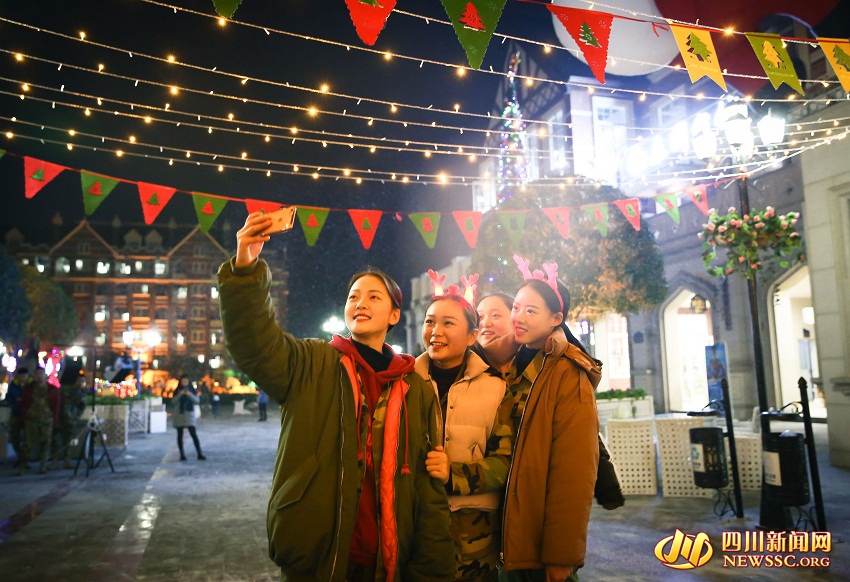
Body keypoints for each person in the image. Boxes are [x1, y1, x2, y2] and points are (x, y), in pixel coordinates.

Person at [217, 211, 453, 581]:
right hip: (318, 554)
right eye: (353, 296)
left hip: (389, 556)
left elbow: (427, 487)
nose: (360, 302)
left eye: (374, 297)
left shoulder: (416, 388)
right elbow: (254, 344)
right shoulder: (311, 363)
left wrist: (433, 569)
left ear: (394, 315)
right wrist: (246, 265)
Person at [499, 256, 601, 582]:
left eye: (531, 311)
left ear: (557, 318)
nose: (518, 316)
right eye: (516, 307)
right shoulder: (517, 363)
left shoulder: (568, 372)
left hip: (541, 547)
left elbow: (574, 472)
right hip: (512, 535)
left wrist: (561, 556)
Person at [416, 272, 513, 582]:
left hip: (474, 538)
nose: (435, 331)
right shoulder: (405, 383)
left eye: (448, 323)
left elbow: (505, 462)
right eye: (430, 321)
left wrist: (453, 474)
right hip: (415, 529)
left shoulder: (496, 389)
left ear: (472, 336)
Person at [19, 367, 61, 475]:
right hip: (31, 420)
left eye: (41, 373)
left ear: (45, 375)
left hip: (46, 420)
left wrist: (55, 419)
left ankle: (43, 465)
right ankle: (23, 465)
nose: (39, 376)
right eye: (37, 374)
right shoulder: (29, 389)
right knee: (28, 443)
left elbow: (56, 405)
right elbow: (25, 403)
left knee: (45, 442)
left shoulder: (52, 389)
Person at [54, 371, 88, 469]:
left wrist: (75, 416)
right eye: (79, 380)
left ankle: (66, 461)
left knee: (67, 441)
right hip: (60, 418)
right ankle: (55, 461)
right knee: (56, 440)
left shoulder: (81, 393)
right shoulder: (66, 390)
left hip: (71, 419)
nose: (81, 383)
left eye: (83, 381)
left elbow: (82, 407)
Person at [173, 375, 206, 461]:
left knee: (193, 434)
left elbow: (197, 401)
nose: (184, 383)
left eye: (186, 381)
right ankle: (182, 454)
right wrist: (180, 394)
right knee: (180, 435)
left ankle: (199, 453)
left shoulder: (192, 391)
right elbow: (173, 401)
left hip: (189, 415)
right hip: (179, 415)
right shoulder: (177, 391)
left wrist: (189, 394)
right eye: (183, 381)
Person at [5, 368, 28, 467]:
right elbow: (8, 399)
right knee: (15, 438)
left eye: (24, 376)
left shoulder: (30, 387)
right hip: (16, 414)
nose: (22, 378)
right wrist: (15, 400)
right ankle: (20, 457)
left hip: (27, 416)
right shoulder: (13, 386)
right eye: (21, 376)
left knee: (26, 439)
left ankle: (24, 460)